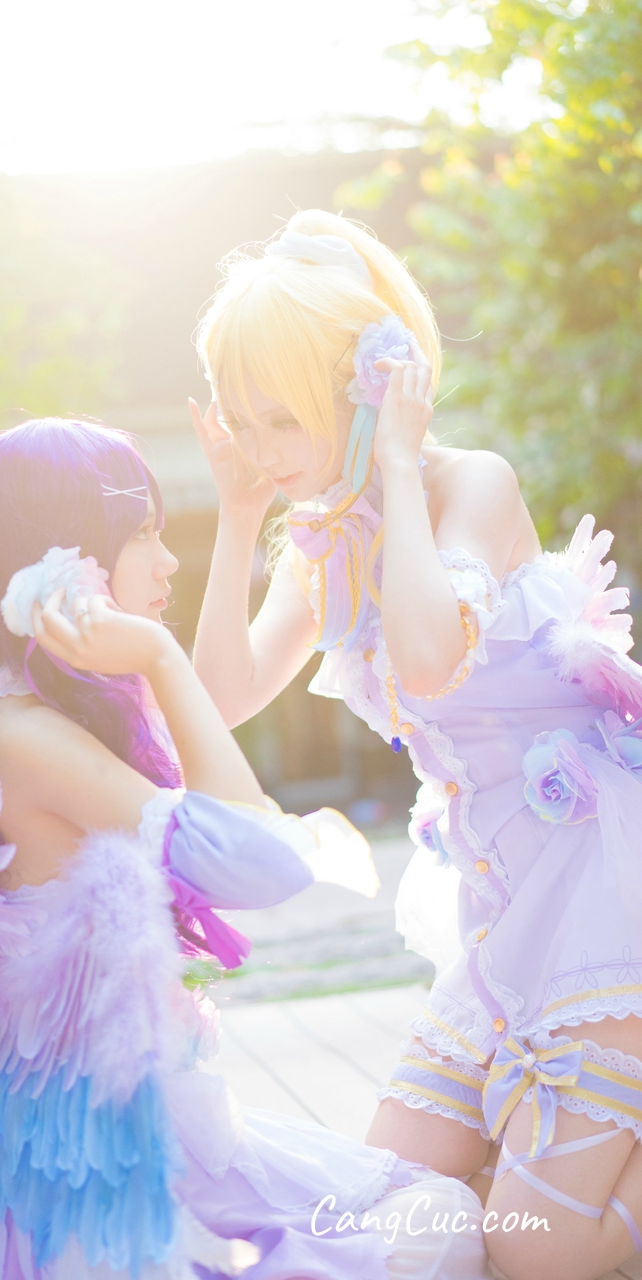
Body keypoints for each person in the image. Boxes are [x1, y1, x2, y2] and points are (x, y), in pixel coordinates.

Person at [0, 419, 487, 1280]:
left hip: (67, 1146)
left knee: (427, 1202)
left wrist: (238, 517)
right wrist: (158, 655)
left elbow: (219, 767)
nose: (165, 562)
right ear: (62, 560)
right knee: (441, 1224)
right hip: (84, 1191)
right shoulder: (28, 738)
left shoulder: (20, 718)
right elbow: (262, 860)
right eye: (143, 534)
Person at [190, 208, 642, 1280]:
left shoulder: (470, 482)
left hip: (603, 888)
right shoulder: (321, 544)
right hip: (504, 911)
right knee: (389, 1212)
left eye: (282, 420)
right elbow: (220, 697)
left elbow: (429, 657)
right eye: (243, 421)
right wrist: (236, 515)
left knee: (542, 1253)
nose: (263, 449)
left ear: (370, 384)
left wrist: (397, 461)